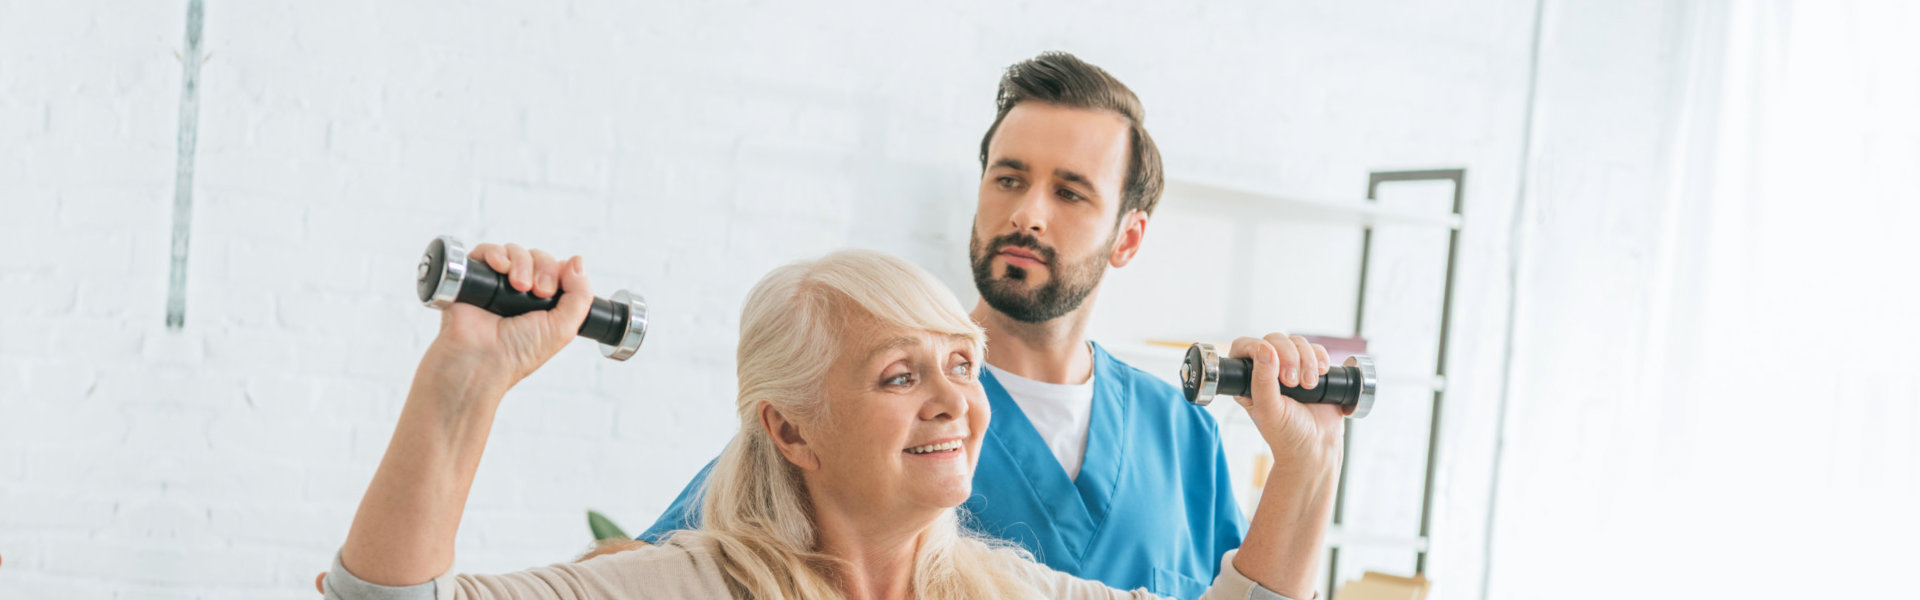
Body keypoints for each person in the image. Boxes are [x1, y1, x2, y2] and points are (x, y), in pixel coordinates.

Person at [639, 52, 1337, 599]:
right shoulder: (877, 406)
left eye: (1069, 192)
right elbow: (661, 567)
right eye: (1008, 179)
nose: (1027, 214)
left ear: (1128, 238)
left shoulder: (1180, 434)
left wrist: (1310, 460)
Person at [321, 244, 1347, 600]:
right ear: (790, 431)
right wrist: (465, 377)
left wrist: (1305, 462)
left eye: (961, 363)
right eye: (902, 375)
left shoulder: (1007, 589)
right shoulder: (685, 584)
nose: (956, 400)